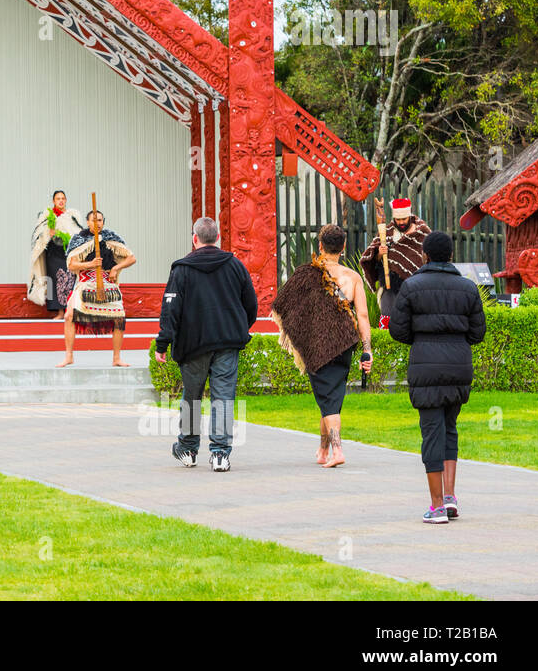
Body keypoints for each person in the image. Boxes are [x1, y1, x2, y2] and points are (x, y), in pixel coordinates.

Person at [389, 231, 486, 524]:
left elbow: (398, 330)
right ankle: (449, 497)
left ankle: (436, 507)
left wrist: (421, 338)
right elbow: (477, 333)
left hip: (426, 366)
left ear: (424, 255)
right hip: (459, 366)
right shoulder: (468, 288)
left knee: (432, 432)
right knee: (450, 428)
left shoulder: (411, 287)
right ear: (452, 256)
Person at [154, 217, 257, 472]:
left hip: (192, 345)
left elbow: (170, 309)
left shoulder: (182, 269)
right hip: (227, 342)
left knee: (191, 398)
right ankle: (221, 454)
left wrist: (162, 343)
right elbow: (251, 305)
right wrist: (239, 328)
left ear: (195, 238)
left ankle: (188, 449)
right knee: (223, 397)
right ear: (217, 237)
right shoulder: (235, 265)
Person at [271, 224, 373, 468]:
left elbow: (284, 306)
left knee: (328, 401)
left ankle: (337, 450)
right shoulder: (353, 278)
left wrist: (303, 333)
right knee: (330, 400)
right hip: (344, 344)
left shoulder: (306, 274)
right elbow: (363, 317)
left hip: (317, 347)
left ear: (320, 246)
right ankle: (322, 449)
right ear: (343, 247)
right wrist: (366, 349)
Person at [56, 210, 135, 367]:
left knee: (119, 318)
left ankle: (116, 358)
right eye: (93, 220)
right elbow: (71, 265)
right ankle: (69, 356)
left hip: (108, 283)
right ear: (87, 222)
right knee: (69, 316)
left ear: (103, 222)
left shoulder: (111, 237)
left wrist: (115, 268)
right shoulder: (79, 238)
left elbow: (131, 258)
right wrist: (89, 264)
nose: (97, 223)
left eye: (100, 220)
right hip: (85, 282)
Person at [361, 197, 432, 325]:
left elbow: (430, 257)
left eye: (403, 219)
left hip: (416, 287)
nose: (401, 223)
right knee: (388, 321)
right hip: (390, 286)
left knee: (412, 323)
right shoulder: (387, 231)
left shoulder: (422, 232)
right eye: (397, 220)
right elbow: (374, 258)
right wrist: (379, 254)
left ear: (409, 216)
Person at [28, 190, 85, 319]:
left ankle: (70, 310)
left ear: (65, 200)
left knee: (69, 280)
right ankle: (59, 312)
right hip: (53, 253)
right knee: (54, 280)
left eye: (63, 198)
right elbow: (38, 235)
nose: (60, 201)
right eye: (58, 198)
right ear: (54, 201)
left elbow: (78, 233)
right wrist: (49, 233)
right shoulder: (47, 216)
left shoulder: (72, 217)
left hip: (67, 253)